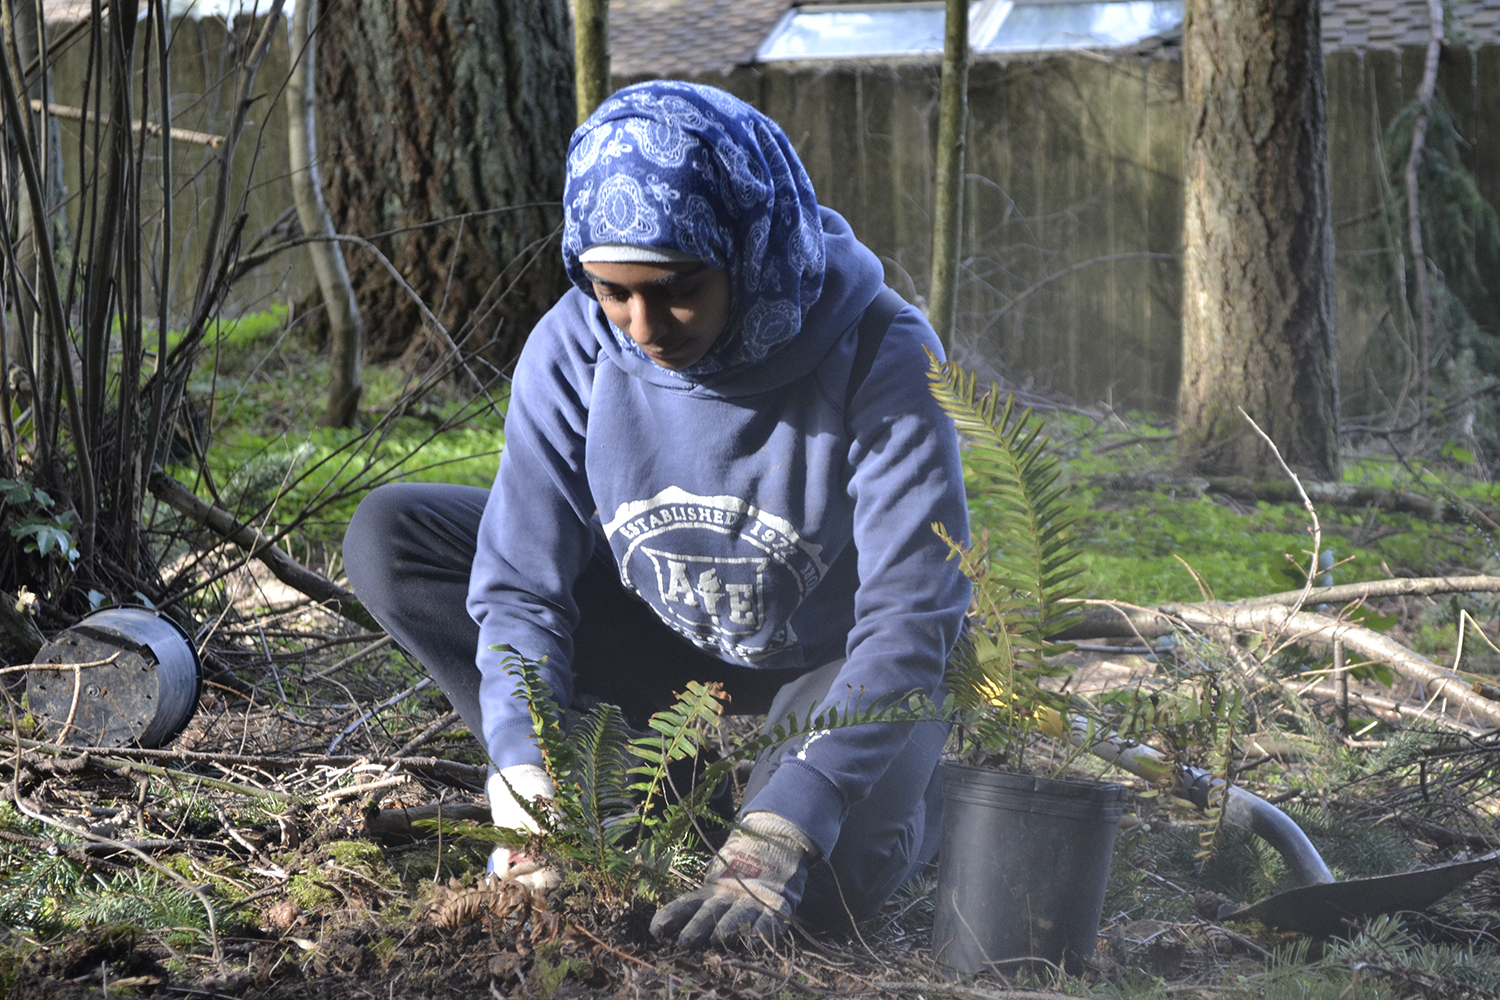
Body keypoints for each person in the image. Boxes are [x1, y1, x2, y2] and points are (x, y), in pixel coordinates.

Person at [343, 80, 970, 949]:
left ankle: (826, 791)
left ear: (747, 251)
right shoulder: (577, 346)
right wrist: (529, 771)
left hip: (831, 661)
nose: (643, 325)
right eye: (612, 291)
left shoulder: (880, 350)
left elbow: (912, 611)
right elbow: (520, 582)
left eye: (676, 289)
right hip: (663, 634)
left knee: (827, 892)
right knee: (393, 534)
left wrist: (790, 822)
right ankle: (626, 783)